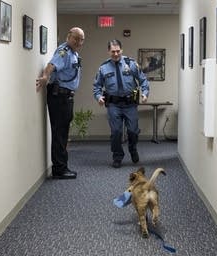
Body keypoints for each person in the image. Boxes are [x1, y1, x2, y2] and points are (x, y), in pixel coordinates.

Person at [36, 27, 85, 179]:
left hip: (66, 97)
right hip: (59, 97)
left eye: (81, 39)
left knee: (63, 133)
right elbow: (52, 64)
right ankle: (59, 169)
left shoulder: (73, 53)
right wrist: (45, 76)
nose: (79, 42)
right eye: (76, 38)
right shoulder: (63, 51)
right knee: (59, 134)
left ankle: (62, 166)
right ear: (68, 36)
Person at [93, 39, 149, 168]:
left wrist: (145, 93)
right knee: (116, 132)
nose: (116, 54)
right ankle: (117, 156)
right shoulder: (103, 68)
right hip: (114, 105)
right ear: (108, 51)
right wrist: (99, 97)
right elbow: (97, 86)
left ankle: (133, 149)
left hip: (130, 104)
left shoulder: (131, 64)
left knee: (133, 131)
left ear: (121, 50)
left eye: (118, 51)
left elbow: (143, 80)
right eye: (113, 51)